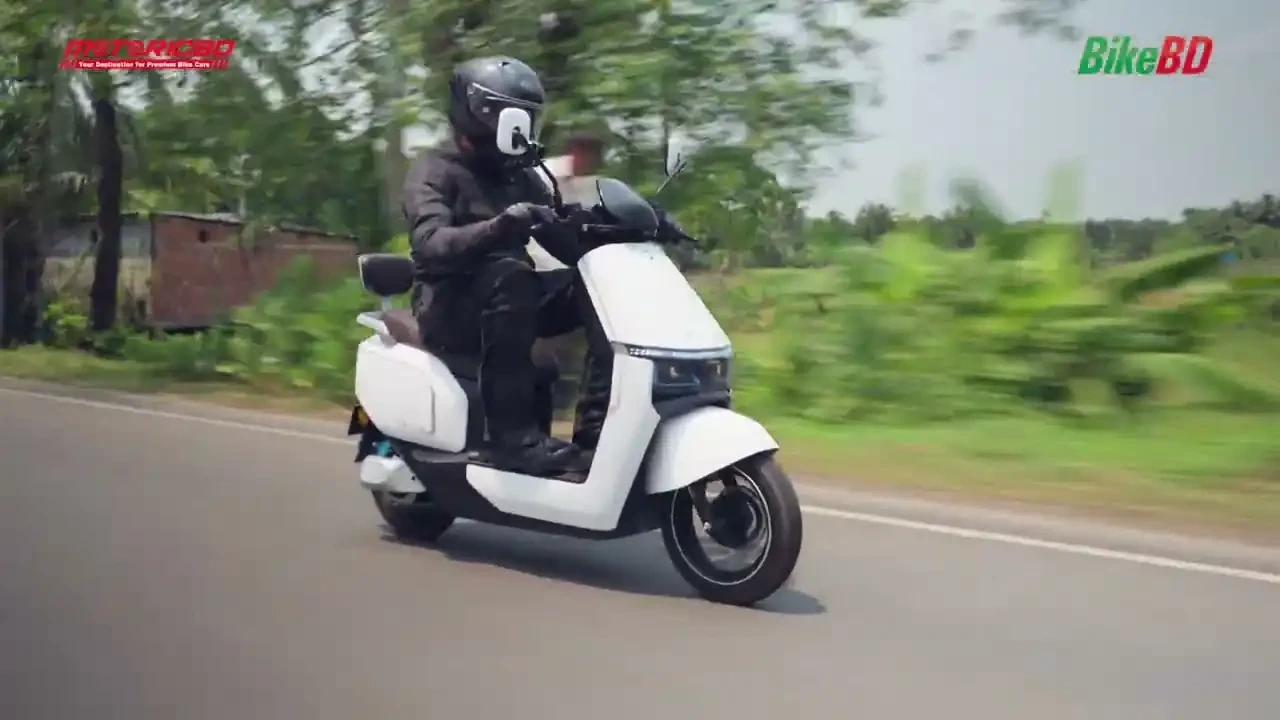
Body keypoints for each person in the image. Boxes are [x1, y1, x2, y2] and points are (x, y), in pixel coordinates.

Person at [400, 56, 613, 476]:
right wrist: (500, 226)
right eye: (510, 116)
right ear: (475, 112)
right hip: (448, 305)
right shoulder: (435, 171)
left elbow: (567, 239)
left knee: (599, 290)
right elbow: (431, 245)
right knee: (511, 275)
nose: (521, 130)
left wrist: (629, 229)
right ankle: (511, 441)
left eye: (527, 118)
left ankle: (597, 435)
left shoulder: (520, 177)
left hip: (511, 297)